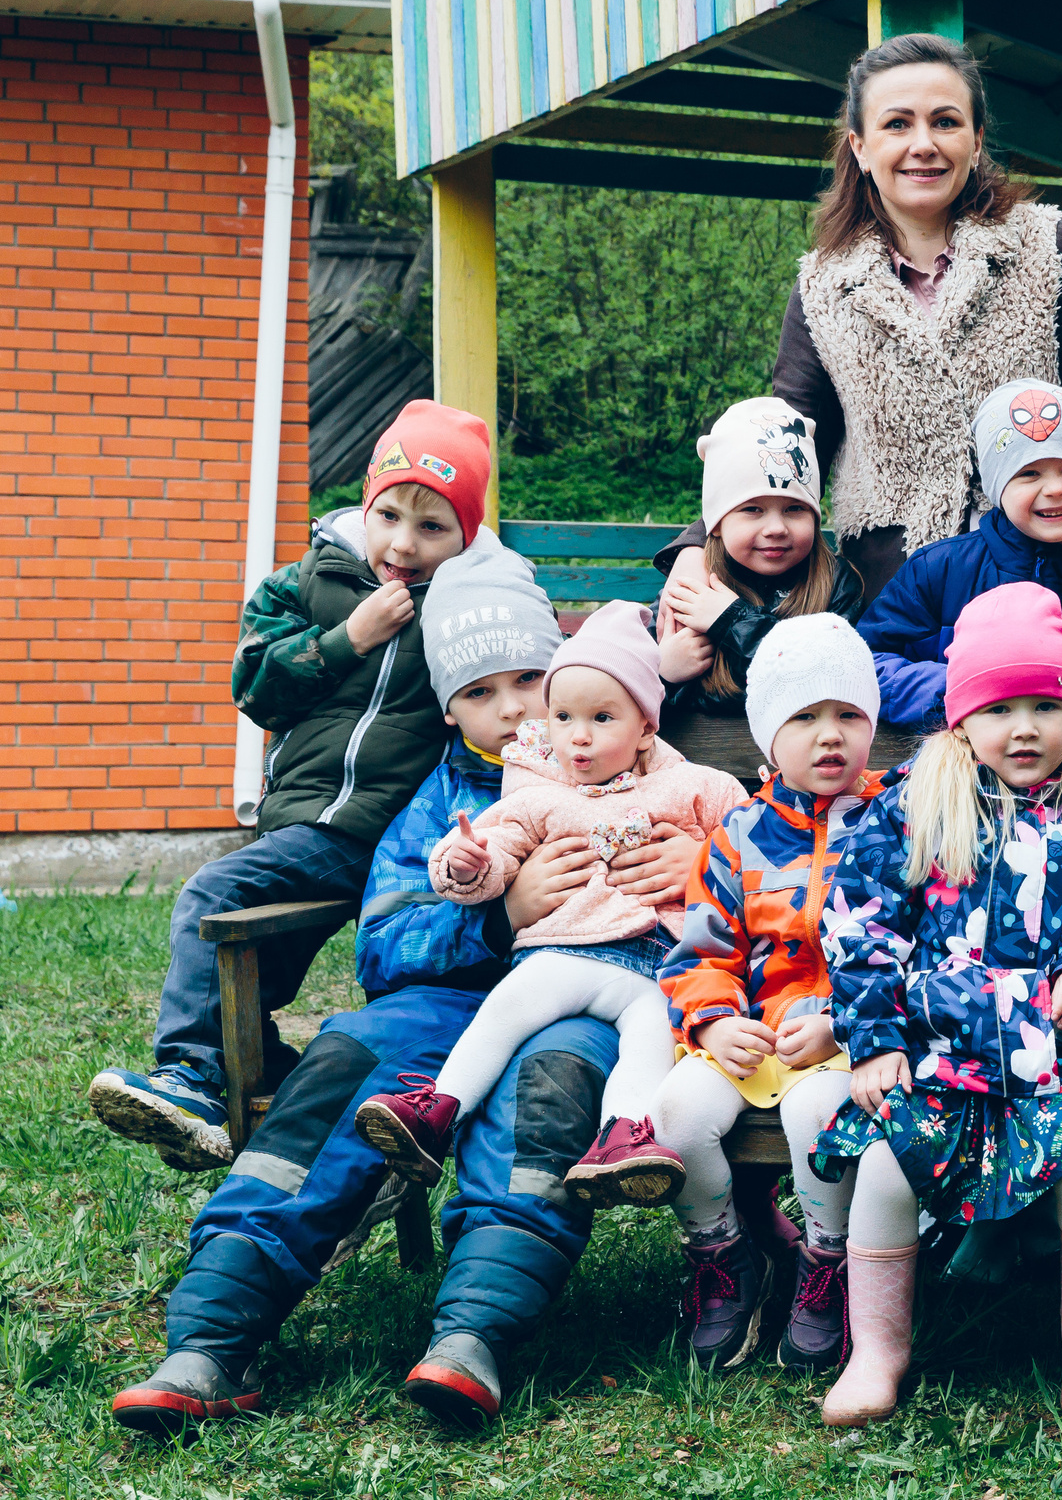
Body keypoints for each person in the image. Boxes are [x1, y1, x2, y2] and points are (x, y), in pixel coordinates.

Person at [108, 541, 628, 1435]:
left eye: (525, 681)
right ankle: (212, 1335)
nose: (508, 711)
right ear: (445, 704)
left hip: (578, 998)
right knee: (347, 1063)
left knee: (550, 1081)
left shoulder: (627, 780)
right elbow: (385, 943)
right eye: (476, 692)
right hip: (443, 1002)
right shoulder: (431, 801)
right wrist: (496, 917)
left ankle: (475, 1334)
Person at [90, 403, 497, 1170]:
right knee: (245, 945)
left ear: (465, 535)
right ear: (366, 505)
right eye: (389, 515)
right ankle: (247, 1064)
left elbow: (513, 686)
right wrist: (348, 639)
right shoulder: (307, 582)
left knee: (214, 895)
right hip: (306, 830)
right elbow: (255, 686)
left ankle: (194, 1074)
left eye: (433, 527)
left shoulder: (467, 606)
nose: (403, 544)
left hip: (397, 841)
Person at [656, 33, 1062, 640]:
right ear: (860, 147)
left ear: (976, 140)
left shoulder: (1046, 247)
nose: (923, 145)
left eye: (945, 121)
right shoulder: (823, 287)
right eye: (897, 124)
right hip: (893, 598)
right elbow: (780, 440)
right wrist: (699, 544)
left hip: (1045, 573)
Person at [809, 584, 1062, 1425]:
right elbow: (859, 924)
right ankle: (877, 1350)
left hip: (1050, 1063)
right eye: (1000, 707)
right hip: (934, 1057)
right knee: (884, 1173)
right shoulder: (916, 806)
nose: (1023, 728)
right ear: (961, 719)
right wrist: (875, 1040)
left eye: (1043, 705)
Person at [353, 603, 749, 1200]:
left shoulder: (697, 785)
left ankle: (627, 1137)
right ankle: (438, 1108)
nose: (580, 735)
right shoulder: (540, 796)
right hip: (563, 950)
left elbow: (752, 844)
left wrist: (702, 858)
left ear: (646, 727)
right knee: (508, 1008)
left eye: (602, 717)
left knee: (653, 1037)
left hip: (659, 966)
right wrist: (465, 863)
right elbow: (495, 849)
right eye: (563, 717)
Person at [654, 613, 887, 1372]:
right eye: (805, 717)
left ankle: (828, 1261)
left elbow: (913, 942)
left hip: (849, 1040)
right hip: (753, 1034)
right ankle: (726, 1257)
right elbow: (702, 949)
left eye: (849, 715)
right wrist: (716, 1024)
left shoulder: (899, 819)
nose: (830, 736)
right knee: (680, 1116)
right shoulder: (739, 835)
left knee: (814, 1114)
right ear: (766, 736)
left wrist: (844, 1026)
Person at [859, 379, 1062, 728]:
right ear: (997, 486)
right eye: (1029, 474)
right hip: (957, 767)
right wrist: (960, 689)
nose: (1055, 488)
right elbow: (864, 661)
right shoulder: (937, 570)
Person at [659, 398, 870, 725]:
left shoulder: (837, 584)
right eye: (752, 510)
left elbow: (829, 674)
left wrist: (732, 620)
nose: (776, 528)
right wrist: (664, 676)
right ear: (716, 521)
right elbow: (626, 701)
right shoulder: (693, 585)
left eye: (794, 509)